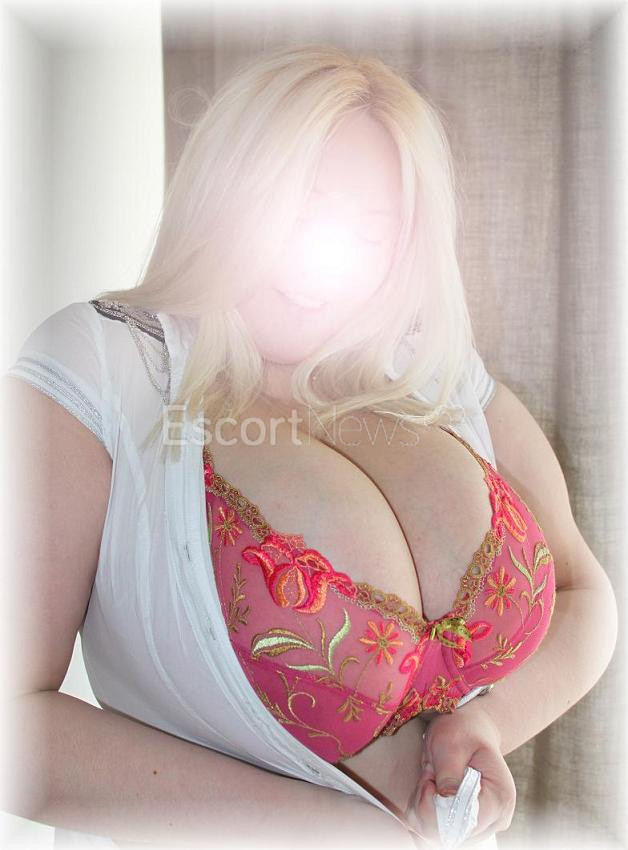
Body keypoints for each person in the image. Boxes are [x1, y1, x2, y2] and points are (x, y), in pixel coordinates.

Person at [1, 44, 615, 850]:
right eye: (298, 208)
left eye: (373, 230)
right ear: (228, 192)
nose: (326, 258)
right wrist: (333, 827)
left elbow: (583, 593)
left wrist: (487, 725)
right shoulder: (101, 367)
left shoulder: (439, 375)